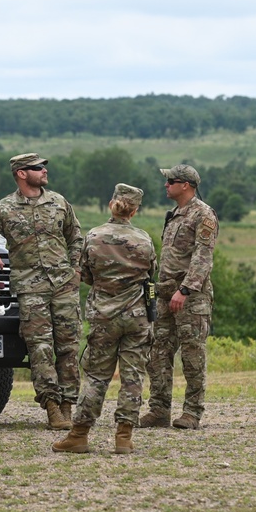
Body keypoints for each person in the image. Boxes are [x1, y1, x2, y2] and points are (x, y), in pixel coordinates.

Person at [0, 153, 83, 430]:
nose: (44, 171)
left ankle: (68, 404)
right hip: (31, 289)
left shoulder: (58, 202)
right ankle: (52, 406)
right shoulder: (4, 208)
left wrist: (76, 269)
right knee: (40, 348)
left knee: (68, 346)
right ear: (21, 173)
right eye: (37, 168)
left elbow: (76, 237)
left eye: (43, 167)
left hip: (64, 286)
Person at [53, 184, 156, 454]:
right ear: (134, 210)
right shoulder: (144, 239)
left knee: (97, 377)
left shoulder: (94, 236)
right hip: (137, 317)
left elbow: (84, 273)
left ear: (113, 204)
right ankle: (124, 437)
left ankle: (79, 435)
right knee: (133, 377)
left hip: (104, 316)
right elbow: (151, 274)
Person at [139, 164, 218, 430]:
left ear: (186, 185)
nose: (166, 185)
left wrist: (185, 290)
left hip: (190, 298)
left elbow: (203, 257)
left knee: (192, 355)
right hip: (165, 294)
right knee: (158, 353)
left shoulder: (203, 215)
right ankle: (159, 409)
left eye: (171, 181)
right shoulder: (175, 214)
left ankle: (192, 412)